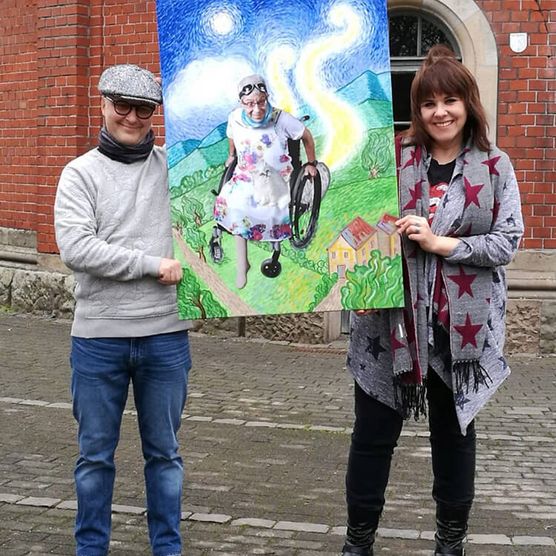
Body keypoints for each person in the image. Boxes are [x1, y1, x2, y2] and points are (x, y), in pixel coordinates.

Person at [340, 45, 524, 556]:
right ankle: (358, 543)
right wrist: (358, 285)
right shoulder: (393, 159)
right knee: (372, 437)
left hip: (460, 332)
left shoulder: (494, 166)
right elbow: (358, 224)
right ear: (417, 110)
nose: (440, 112)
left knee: (454, 438)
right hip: (391, 326)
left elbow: (509, 240)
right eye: (428, 103)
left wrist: (442, 243)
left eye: (450, 100)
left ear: (469, 103)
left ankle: (450, 543)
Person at [54, 64, 191, 556]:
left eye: (144, 108)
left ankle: (167, 550)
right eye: (122, 106)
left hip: (166, 336)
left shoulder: (178, 168)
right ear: (104, 105)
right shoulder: (80, 173)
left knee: (165, 456)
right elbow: (76, 248)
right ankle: (91, 550)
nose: (132, 117)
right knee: (94, 458)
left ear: (155, 112)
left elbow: (238, 178)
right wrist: (151, 265)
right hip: (98, 338)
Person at [213, 74, 318, 288]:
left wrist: (312, 163)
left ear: (267, 97)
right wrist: (231, 156)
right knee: (232, 204)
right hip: (246, 175)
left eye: (261, 102)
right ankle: (243, 265)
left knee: (271, 208)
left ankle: (275, 248)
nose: (257, 109)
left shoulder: (281, 119)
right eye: (250, 104)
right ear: (241, 103)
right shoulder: (235, 117)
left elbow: (306, 136)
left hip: (276, 177)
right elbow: (232, 135)